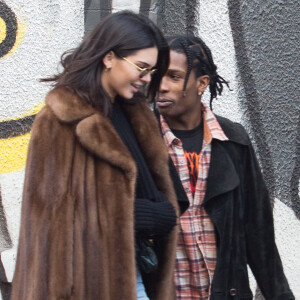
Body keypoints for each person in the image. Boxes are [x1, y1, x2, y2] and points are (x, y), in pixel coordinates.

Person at [11, 11, 181, 300]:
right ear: (109, 57)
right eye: (141, 67)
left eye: (151, 71)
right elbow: (49, 224)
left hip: (137, 272)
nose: (146, 78)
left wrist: (161, 212)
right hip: (88, 285)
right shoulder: (61, 121)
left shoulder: (135, 116)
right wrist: (145, 214)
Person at [155, 35, 295, 300]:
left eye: (173, 77)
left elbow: (259, 232)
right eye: (156, 75)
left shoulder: (233, 141)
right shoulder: (141, 141)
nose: (160, 86)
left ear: (202, 83)